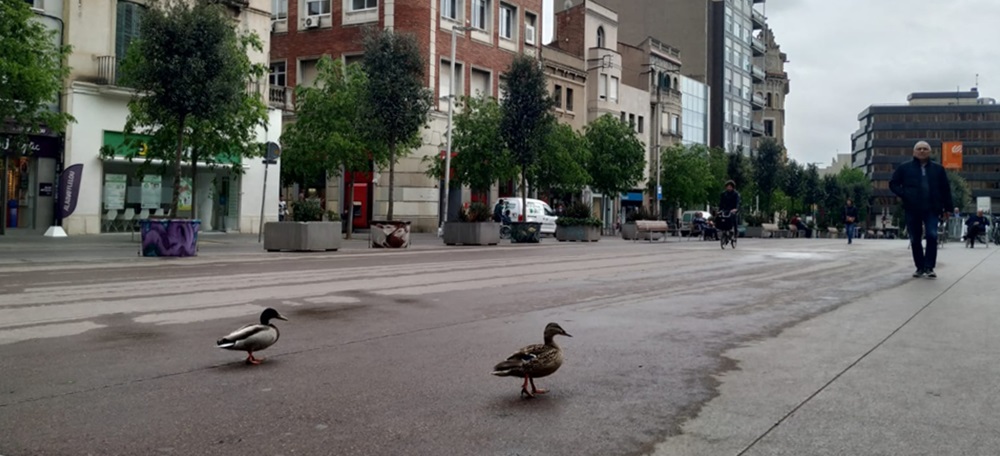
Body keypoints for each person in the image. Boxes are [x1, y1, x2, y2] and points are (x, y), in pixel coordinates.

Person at [889, 140, 953, 278]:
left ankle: (929, 267)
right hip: (912, 208)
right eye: (919, 149)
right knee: (915, 239)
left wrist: (948, 208)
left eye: (925, 149)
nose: (922, 151)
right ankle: (919, 267)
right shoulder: (904, 168)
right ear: (914, 152)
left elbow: (945, 189)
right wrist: (904, 194)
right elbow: (893, 184)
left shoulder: (938, 169)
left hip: (932, 208)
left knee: (932, 235)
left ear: (929, 152)